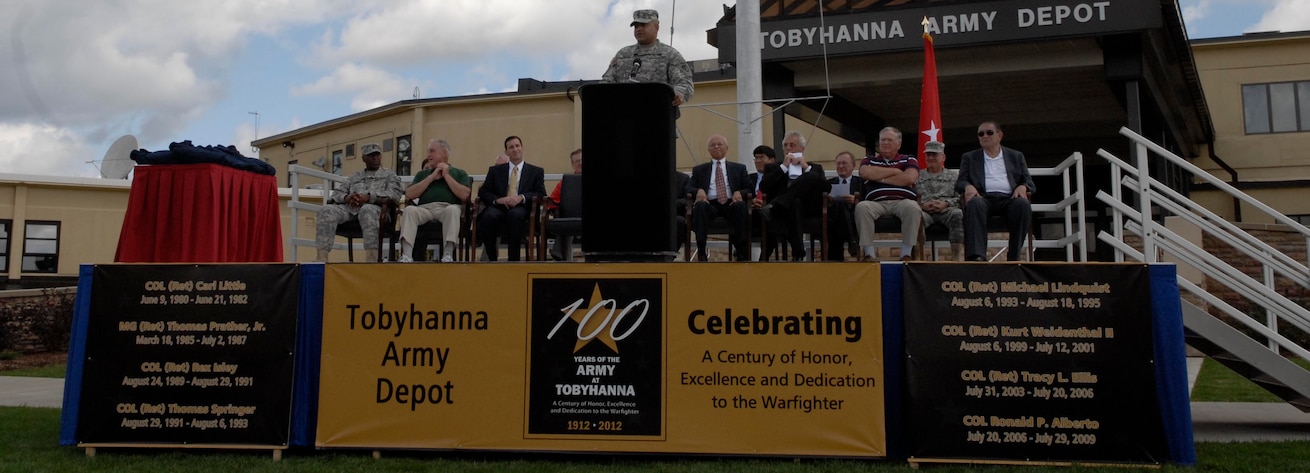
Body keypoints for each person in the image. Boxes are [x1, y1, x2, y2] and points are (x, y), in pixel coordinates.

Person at [956, 121, 1035, 262]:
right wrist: (968, 186)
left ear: (1000, 135)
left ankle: (1014, 256)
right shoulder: (969, 157)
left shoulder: (1016, 156)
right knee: (974, 204)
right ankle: (977, 256)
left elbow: (1029, 183)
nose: (984, 136)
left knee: (1022, 205)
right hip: (983, 198)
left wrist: (1023, 187)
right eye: (981, 134)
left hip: (1009, 199)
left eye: (989, 133)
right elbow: (961, 182)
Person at [314, 143, 403, 262]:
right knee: (326, 210)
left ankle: (371, 258)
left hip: (377, 211)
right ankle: (321, 257)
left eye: (377, 155)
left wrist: (369, 197)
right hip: (351, 210)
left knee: (367, 210)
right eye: (371, 156)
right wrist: (347, 198)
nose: (375, 158)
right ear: (364, 159)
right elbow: (336, 194)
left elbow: (395, 195)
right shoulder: (355, 177)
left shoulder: (389, 175)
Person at [601, 9, 694, 111]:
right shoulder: (623, 55)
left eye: (643, 25)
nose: (638, 29)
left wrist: (678, 94)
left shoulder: (670, 55)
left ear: (656, 27)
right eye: (636, 26)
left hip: (658, 117)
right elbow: (606, 82)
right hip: (625, 118)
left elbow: (684, 82)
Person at [759, 131, 831, 261]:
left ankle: (774, 205)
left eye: (792, 145)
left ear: (802, 148)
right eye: (785, 145)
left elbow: (827, 188)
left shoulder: (814, 168)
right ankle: (798, 253)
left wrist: (806, 167)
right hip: (784, 211)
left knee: (812, 176)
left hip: (809, 209)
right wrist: (783, 168)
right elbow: (763, 187)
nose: (788, 148)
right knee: (794, 203)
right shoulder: (774, 167)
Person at [397, 139, 472, 263]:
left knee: (452, 210)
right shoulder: (423, 174)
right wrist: (431, 177)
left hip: (447, 208)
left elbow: (465, 195)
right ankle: (407, 255)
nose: (428, 155)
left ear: (444, 153)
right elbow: (409, 194)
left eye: (432, 151)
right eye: (428, 152)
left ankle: (447, 254)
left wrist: (446, 175)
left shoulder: (459, 173)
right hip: (425, 209)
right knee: (409, 210)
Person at [854, 127, 921, 262]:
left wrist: (879, 177)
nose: (885, 143)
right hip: (876, 203)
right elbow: (865, 173)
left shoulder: (909, 159)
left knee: (913, 207)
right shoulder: (869, 160)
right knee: (862, 207)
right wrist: (896, 172)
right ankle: (869, 255)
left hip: (902, 202)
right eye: (882, 140)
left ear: (899, 144)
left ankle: (906, 254)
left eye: (889, 140)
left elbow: (910, 178)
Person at [478, 135, 546, 261]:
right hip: (500, 206)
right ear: (507, 152)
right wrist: (498, 200)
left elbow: (540, 193)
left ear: (522, 148)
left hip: (522, 208)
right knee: (488, 216)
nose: (515, 149)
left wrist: (521, 197)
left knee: (514, 215)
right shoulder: (495, 171)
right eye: (511, 147)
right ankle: (492, 258)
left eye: (517, 146)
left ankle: (513, 259)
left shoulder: (535, 171)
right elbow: (484, 191)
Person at [686, 135, 750, 261]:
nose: (716, 147)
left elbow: (749, 188)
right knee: (699, 206)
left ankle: (741, 251)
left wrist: (740, 192)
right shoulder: (699, 169)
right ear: (708, 150)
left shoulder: (739, 168)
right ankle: (702, 251)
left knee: (741, 207)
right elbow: (688, 188)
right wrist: (698, 190)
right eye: (712, 145)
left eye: (719, 144)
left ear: (727, 148)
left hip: (731, 203)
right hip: (710, 204)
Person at [916, 140, 965, 261]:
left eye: (934, 155)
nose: (931, 158)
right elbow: (910, 196)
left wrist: (946, 203)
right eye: (928, 155)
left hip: (946, 210)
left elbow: (961, 197)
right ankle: (916, 258)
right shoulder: (917, 175)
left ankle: (957, 258)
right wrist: (921, 205)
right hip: (924, 211)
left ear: (943, 157)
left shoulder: (954, 176)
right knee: (914, 216)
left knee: (957, 214)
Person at [827, 151, 865, 261]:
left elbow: (868, 199)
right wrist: (829, 199)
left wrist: (855, 200)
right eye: (838, 163)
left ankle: (835, 259)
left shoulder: (861, 183)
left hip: (854, 217)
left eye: (844, 163)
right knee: (839, 204)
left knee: (841, 207)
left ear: (853, 165)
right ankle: (851, 240)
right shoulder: (829, 183)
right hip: (834, 219)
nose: (841, 166)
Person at [548, 148, 583, 261]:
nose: (580, 163)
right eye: (577, 161)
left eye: (582, 160)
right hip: (571, 216)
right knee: (563, 216)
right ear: (573, 165)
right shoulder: (565, 183)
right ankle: (564, 258)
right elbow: (552, 201)